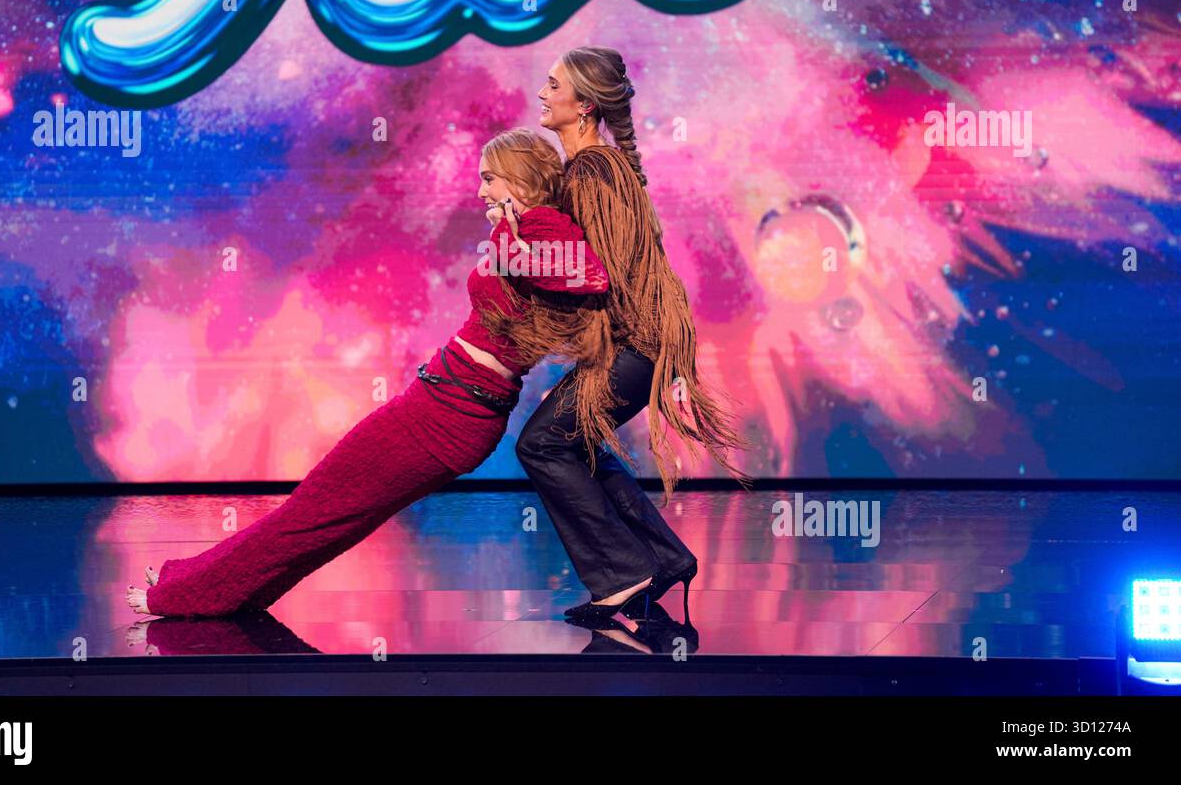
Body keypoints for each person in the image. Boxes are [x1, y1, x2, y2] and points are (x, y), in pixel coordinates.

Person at [125, 128, 610, 618]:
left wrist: (511, 237)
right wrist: (509, 234)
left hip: (450, 414)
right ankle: (208, 587)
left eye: (490, 179)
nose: (482, 191)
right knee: (326, 513)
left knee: (317, 511)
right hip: (444, 404)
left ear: (520, 176)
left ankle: (186, 596)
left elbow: (592, 276)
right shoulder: (526, 228)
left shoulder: (543, 226)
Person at [507, 46, 750, 626]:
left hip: (635, 344)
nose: (542, 93)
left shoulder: (591, 170)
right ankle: (664, 559)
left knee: (542, 444)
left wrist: (519, 250)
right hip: (640, 343)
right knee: (576, 443)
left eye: (553, 85)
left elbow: (596, 271)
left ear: (585, 104)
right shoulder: (597, 168)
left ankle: (620, 575)